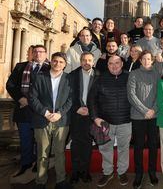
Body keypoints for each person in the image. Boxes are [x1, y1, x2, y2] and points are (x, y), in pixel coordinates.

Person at [29, 52, 72, 189]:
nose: (57, 64)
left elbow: (71, 99)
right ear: (50, 62)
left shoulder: (69, 79)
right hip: (42, 120)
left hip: (61, 121)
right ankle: (40, 181)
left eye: (61, 62)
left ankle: (61, 180)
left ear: (65, 65)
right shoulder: (39, 77)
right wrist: (45, 113)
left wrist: (60, 113)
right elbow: (32, 98)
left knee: (60, 152)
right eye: (55, 61)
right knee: (42, 153)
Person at [6, 45, 50, 177]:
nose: (37, 54)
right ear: (31, 53)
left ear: (46, 54)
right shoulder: (21, 66)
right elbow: (10, 85)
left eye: (41, 52)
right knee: (25, 139)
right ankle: (25, 164)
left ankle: (38, 163)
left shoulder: (51, 68)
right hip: (23, 110)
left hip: (40, 112)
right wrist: (20, 98)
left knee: (40, 140)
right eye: (35, 52)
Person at [88, 55, 131, 187]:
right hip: (105, 121)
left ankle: (122, 171)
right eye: (111, 63)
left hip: (126, 120)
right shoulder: (100, 78)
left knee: (124, 148)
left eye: (117, 62)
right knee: (105, 148)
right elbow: (91, 99)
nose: (114, 65)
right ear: (107, 65)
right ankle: (107, 172)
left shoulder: (130, 77)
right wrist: (95, 117)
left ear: (122, 64)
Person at [127, 50, 162, 188]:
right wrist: (144, 111)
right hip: (138, 117)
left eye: (149, 59)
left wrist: (153, 110)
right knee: (138, 146)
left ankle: (152, 172)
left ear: (152, 60)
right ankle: (139, 174)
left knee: (153, 146)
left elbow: (161, 94)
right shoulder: (134, 74)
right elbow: (131, 95)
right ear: (140, 60)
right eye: (144, 59)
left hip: (154, 116)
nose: (147, 61)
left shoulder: (157, 74)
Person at [69, 52, 96, 184]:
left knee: (87, 144)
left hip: (91, 115)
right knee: (75, 144)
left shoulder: (99, 75)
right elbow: (68, 95)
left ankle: (85, 171)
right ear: (80, 62)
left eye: (89, 60)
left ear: (93, 61)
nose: (87, 62)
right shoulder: (72, 76)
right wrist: (77, 108)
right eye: (84, 60)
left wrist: (91, 110)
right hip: (76, 114)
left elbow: (101, 97)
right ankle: (75, 172)